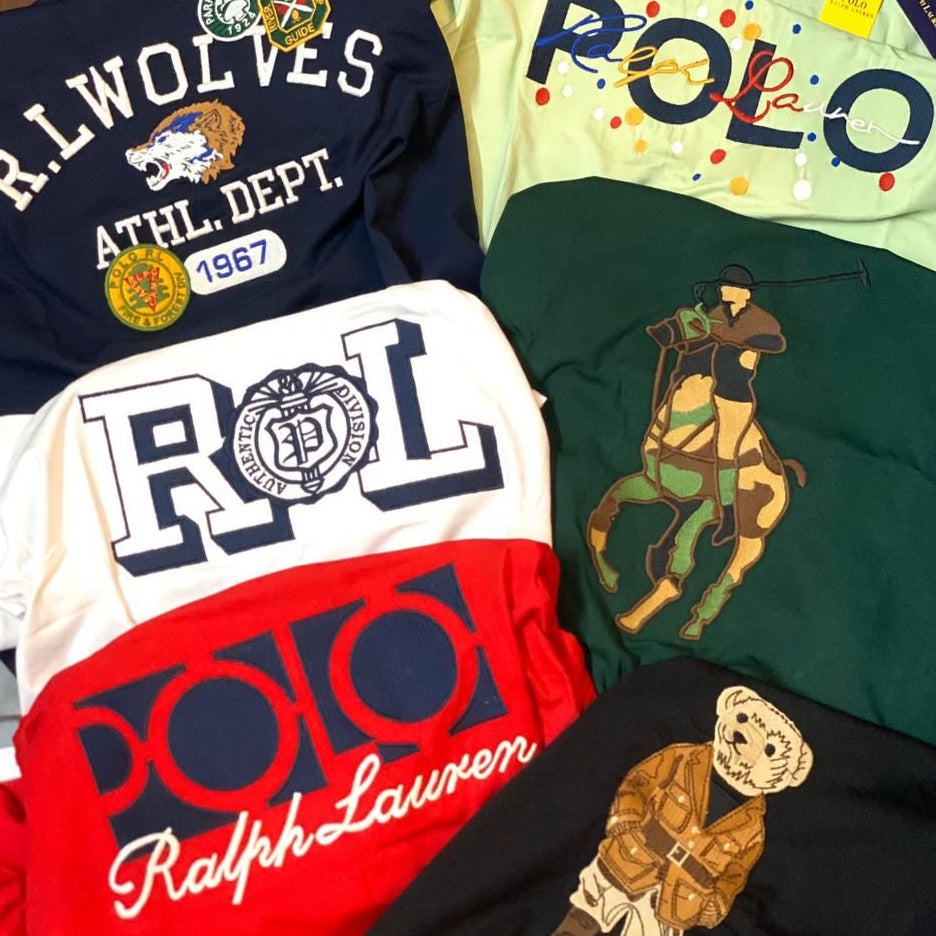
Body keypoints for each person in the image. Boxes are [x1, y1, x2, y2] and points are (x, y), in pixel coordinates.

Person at [645, 266, 786, 546]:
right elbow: (700, 338)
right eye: (723, 287)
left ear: (745, 294)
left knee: (725, 451)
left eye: (729, 287)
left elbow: (776, 342)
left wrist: (737, 340)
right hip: (710, 389)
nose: (724, 291)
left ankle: (729, 516)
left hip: (734, 398)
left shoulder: (761, 320)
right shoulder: (718, 314)